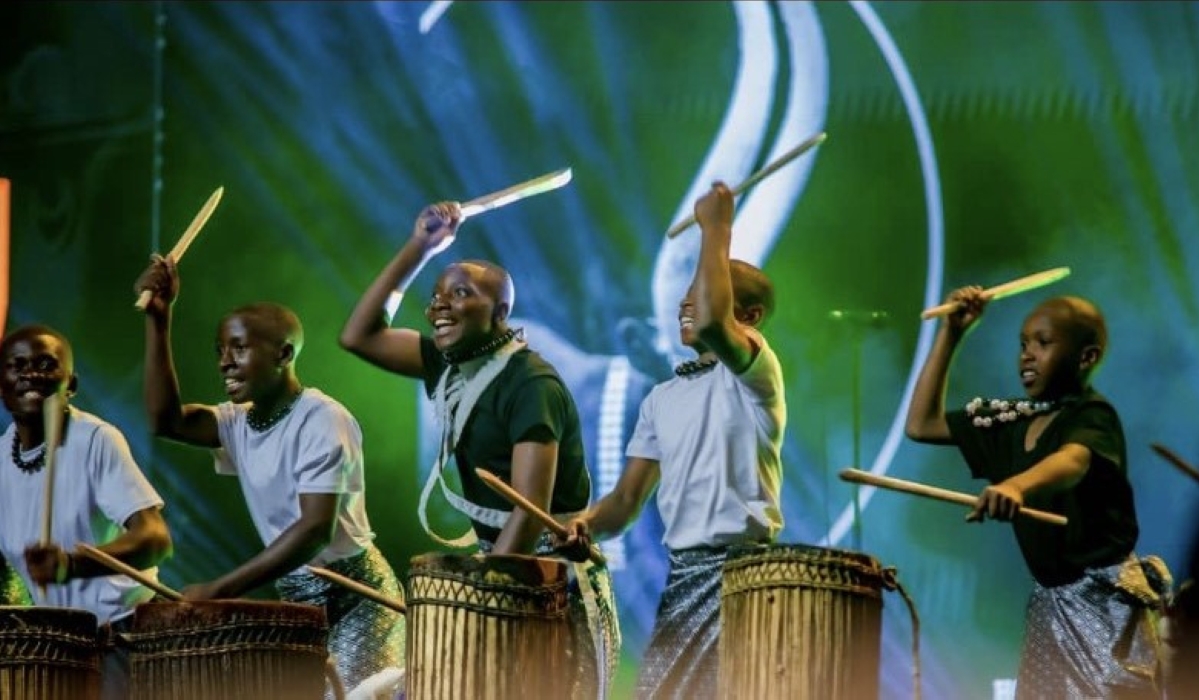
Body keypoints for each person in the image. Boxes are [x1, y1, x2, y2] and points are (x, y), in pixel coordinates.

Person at [338, 201, 621, 699]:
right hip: (498, 570)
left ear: (501, 312)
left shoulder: (531, 384)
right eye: (437, 296)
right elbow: (359, 335)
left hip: (546, 581)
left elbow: (529, 512)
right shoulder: (446, 364)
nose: (440, 306)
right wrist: (420, 247)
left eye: (461, 294)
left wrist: (479, 600)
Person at [135, 258, 405, 696]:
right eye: (220, 351)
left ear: (283, 354)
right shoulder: (239, 422)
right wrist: (158, 321)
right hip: (299, 596)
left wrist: (220, 589)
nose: (225, 362)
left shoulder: (323, 419)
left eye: (238, 348)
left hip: (358, 599)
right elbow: (165, 421)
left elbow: (314, 530)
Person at [561, 181, 787, 700]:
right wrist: (585, 525)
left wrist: (717, 227)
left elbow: (712, 321)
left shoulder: (757, 372)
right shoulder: (662, 398)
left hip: (743, 574)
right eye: (688, 294)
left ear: (749, 318)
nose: (689, 304)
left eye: (703, 292)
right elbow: (623, 503)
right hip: (683, 575)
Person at [904, 289, 1169, 699]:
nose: (1026, 355)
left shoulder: (1091, 415)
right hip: (1050, 608)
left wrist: (1016, 485)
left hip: (1103, 607)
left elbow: (1072, 461)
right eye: (1023, 344)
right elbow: (921, 424)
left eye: (1043, 344)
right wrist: (952, 334)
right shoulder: (1012, 421)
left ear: (1086, 358)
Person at [0, 323, 173, 698]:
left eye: (47, 365)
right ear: (1, 384)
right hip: (59, 645)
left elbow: (155, 539)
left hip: (122, 641)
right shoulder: (0, 460)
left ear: (71, 385)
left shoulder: (95, 439)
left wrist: (71, 565)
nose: (31, 373)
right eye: (18, 365)